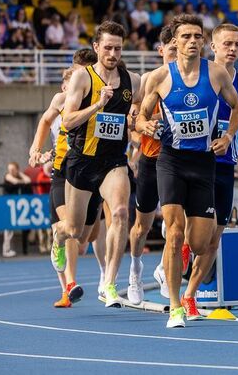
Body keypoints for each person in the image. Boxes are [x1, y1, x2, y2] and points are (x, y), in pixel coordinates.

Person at [136, 14, 238, 329]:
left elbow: (236, 108)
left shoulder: (217, 74)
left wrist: (228, 136)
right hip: (170, 161)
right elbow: (139, 117)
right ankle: (174, 306)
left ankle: (182, 265)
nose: (193, 41)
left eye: (197, 36)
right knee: (173, 231)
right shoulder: (158, 77)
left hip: (203, 163)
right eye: (186, 37)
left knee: (199, 243)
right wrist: (148, 126)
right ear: (175, 42)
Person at [51, 21, 143, 309]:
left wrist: (141, 123)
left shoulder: (133, 80)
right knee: (76, 233)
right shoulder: (82, 78)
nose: (113, 53)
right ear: (96, 47)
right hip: (81, 160)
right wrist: (97, 106)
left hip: (114, 161)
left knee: (120, 212)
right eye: (107, 48)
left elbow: (138, 114)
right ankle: (58, 236)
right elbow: (66, 121)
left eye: (118, 48)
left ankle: (111, 284)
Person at [182, 23, 238, 320]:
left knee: (215, 238)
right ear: (213, 46)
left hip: (225, 163)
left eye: (237, 44)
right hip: (193, 162)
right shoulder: (197, 76)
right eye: (227, 44)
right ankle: (184, 247)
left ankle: (189, 295)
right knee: (194, 233)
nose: (232, 49)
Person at [28, 49, 103, 307]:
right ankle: (69, 286)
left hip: (91, 170)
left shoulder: (103, 96)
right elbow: (45, 120)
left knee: (84, 239)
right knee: (70, 226)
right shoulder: (63, 97)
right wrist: (36, 149)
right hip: (62, 170)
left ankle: (59, 241)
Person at [127, 25, 177, 305]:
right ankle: (136, 269)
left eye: (178, 50)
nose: (175, 55)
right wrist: (141, 133)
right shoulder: (147, 81)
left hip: (179, 160)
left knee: (176, 225)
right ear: (161, 51)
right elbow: (132, 120)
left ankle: (164, 270)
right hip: (151, 158)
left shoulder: (193, 78)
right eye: (170, 51)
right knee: (141, 226)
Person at [2, 162, 31, 257]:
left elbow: (28, 180)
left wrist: (20, 174)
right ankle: (6, 250)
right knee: (8, 228)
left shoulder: (19, 176)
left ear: (17, 169)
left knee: (24, 228)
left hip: (17, 206)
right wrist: (21, 180)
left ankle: (24, 249)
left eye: (13, 169)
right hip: (8, 206)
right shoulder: (7, 176)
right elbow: (15, 181)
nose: (11, 171)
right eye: (9, 169)